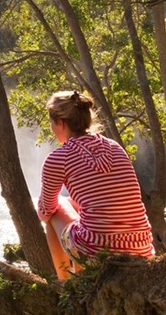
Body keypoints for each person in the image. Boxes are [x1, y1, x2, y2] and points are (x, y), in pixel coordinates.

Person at [38, 90, 153, 280]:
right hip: (141, 247)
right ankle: (79, 280)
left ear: (61, 123)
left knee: (57, 204)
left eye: (51, 123)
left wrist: (55, 206)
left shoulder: (59, 158)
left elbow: (45, 212)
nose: (51, 128)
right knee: (77, 204)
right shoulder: (115, 147)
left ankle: (66, 284)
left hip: (100, 251)